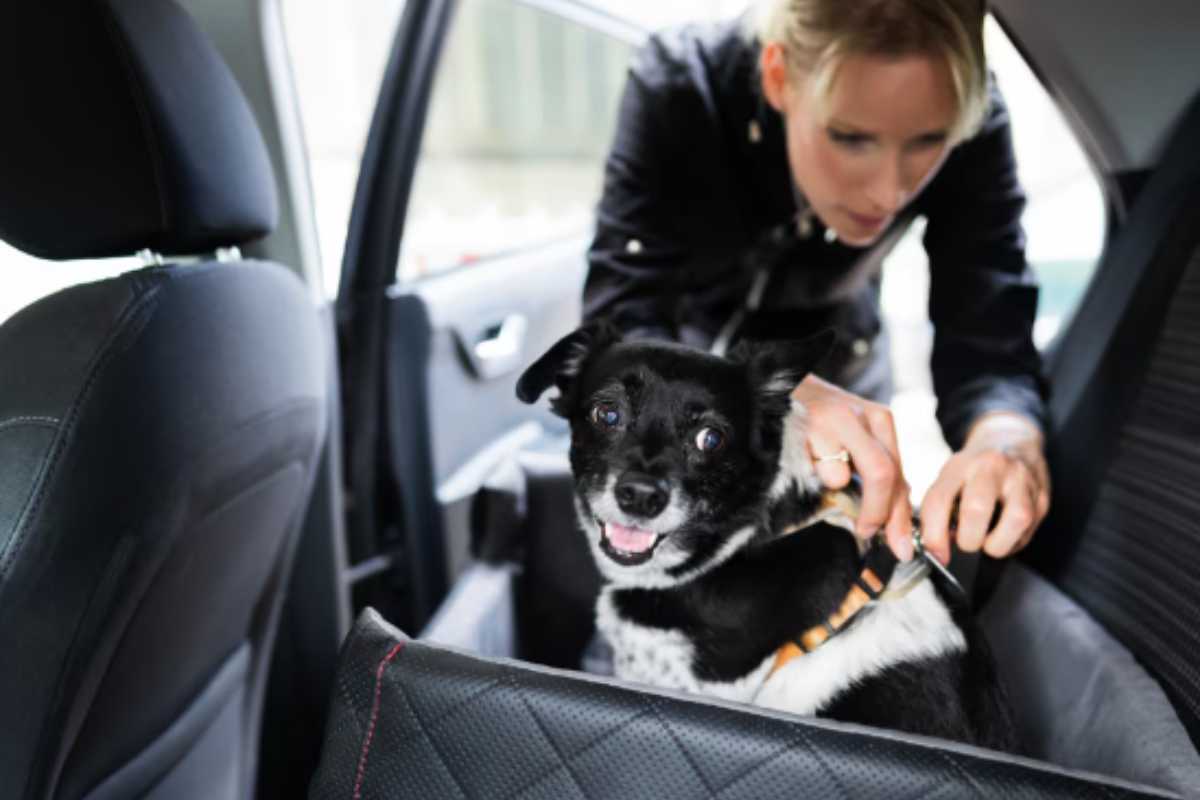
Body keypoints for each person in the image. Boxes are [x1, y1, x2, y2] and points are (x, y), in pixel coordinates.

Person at [583, 0, 1050, 567]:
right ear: (779, 77)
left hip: (841, 359)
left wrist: (1005, 441)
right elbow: (622, 311)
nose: (889, 192)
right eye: (851, 138)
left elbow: (988, 326)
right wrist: (754, 399)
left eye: (928, 142)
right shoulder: (683, 86)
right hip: (679, 364)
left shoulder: (976, 120)